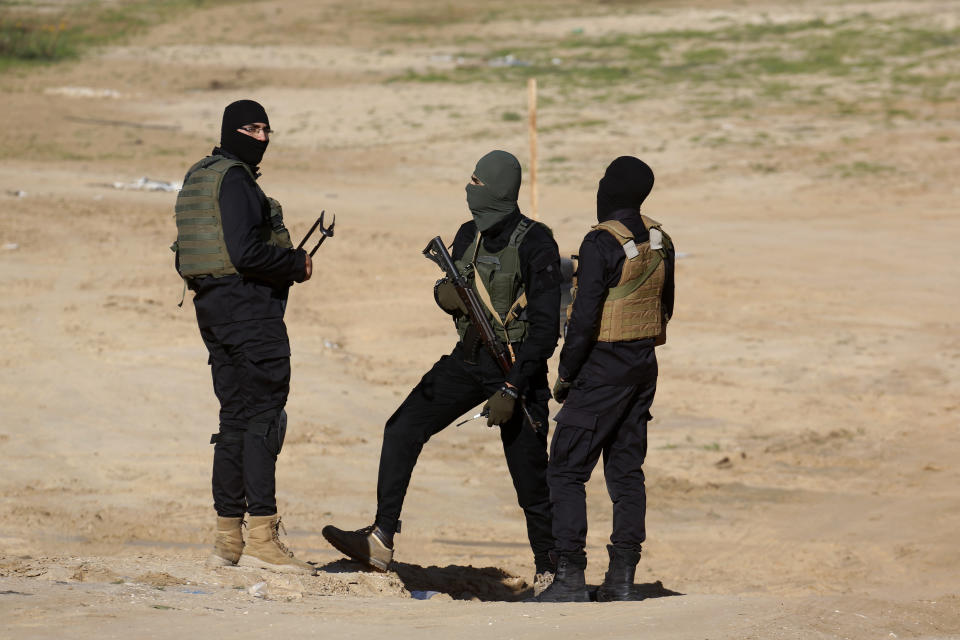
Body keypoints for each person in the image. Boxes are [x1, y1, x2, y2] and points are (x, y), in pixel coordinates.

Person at [322, 150, 561, 589]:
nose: (469, 188)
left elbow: (546, 331)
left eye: (476, 181)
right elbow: (455, 289)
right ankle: (381, 537)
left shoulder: (536, 243)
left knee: (530, 478)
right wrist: (441, 294)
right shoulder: (467, 234)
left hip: (517, 369)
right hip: (468, 359)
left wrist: (511, 387)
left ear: (496, 188)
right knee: (401, 428)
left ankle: (551, 571)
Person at [172, 99, 316, 574]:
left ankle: (227, 537)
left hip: (214, 311)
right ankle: (261, 536)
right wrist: (296, 264)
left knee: (234, 418)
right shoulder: (234, 180)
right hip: (248, 314)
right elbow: (246, 252)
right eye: (252, 129)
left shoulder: (204, 175)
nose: (262, 138)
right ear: (232, 131)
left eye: (267, 129)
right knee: (262, 419)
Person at [534, 156, 675, 602]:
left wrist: (566, 375)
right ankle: (621, 579)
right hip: (643, 367)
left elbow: (583, 320)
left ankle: (570, 576)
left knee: (565, 469)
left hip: (602, 369)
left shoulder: (600, 244)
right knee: (626, 471)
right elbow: (665, 306)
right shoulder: (660, 239)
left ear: (611, 191)